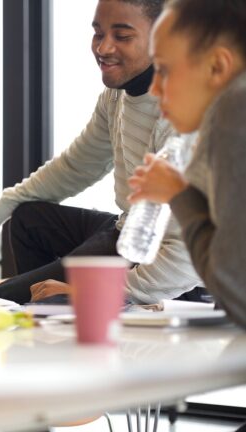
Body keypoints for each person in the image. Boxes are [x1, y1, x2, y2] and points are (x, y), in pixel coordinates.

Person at [0, 0, 202, 305]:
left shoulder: (184, 117)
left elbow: (185, 256)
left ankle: (55, 305)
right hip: (128, 230)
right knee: (28, 219)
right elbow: (74, 167)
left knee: (7, 296)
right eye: (98, 34)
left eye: (122, 36)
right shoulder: (115, 96)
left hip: (171, 266)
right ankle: (50, 312)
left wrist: (92, 294)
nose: (104, 48)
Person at [128, 0, 246, 328]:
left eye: (163, 70)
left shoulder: (235, 108)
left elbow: (237, 293)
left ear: (217, 67)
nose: (154, 88)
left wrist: (178, 194)